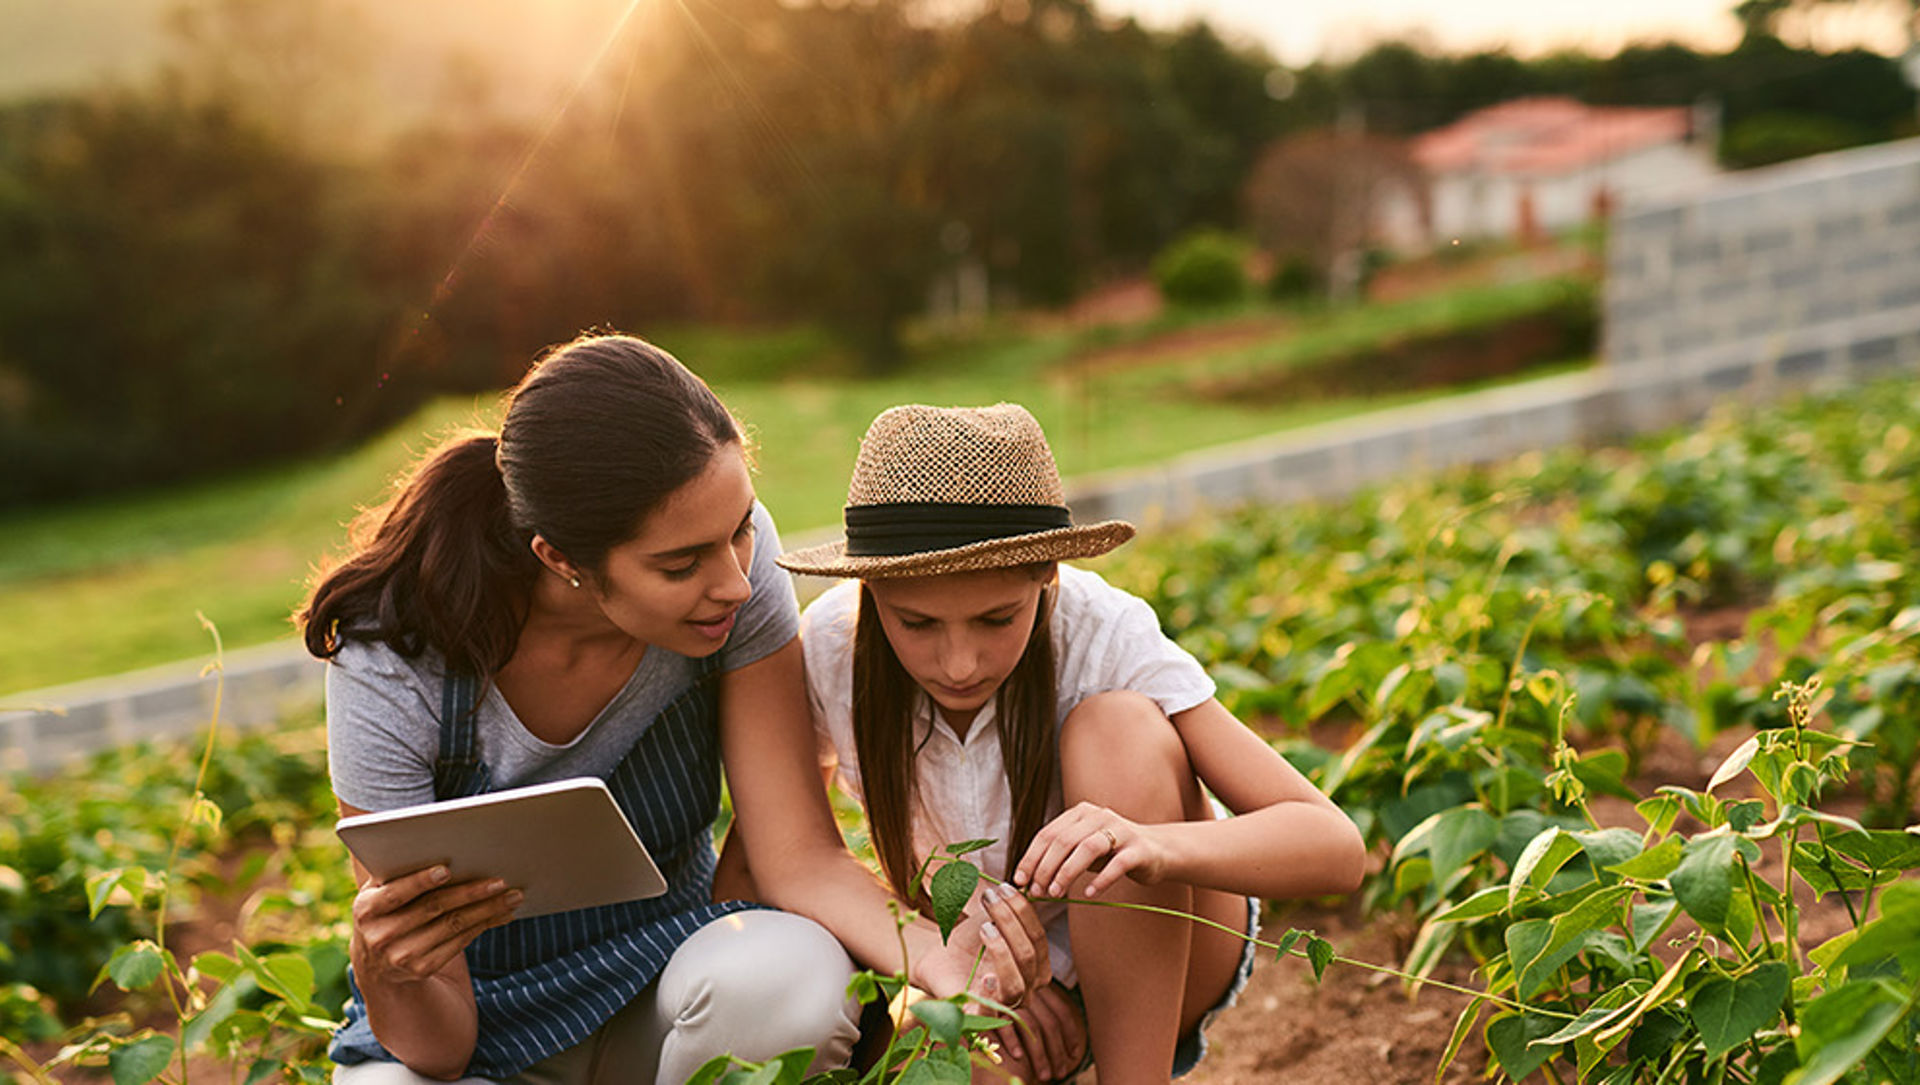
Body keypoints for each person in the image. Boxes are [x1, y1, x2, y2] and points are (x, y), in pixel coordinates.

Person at [298, 336, 1050, 1085]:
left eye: (742, 528)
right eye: (680, 564)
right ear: (561, 558)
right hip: (481, 1023)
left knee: (792, 981)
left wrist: (940, 954)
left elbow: (795, 854)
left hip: (669, 986)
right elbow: (441, 1050)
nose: (734, 581)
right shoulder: (393, 660)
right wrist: (389, 969)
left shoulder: (735, 580)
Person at [777, 403, 1368, 1085]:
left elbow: (1335, 847)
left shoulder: (1102, 632)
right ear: (869, 590)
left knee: (1118, 728)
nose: (960, 662)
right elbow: (788, 858)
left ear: (1047, 578)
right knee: (916, 1063)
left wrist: (1150, 844)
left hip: (1163, 947)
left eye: (997, 618)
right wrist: (977, 966)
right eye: (918, 623)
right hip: (975, 978)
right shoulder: (828, 647)